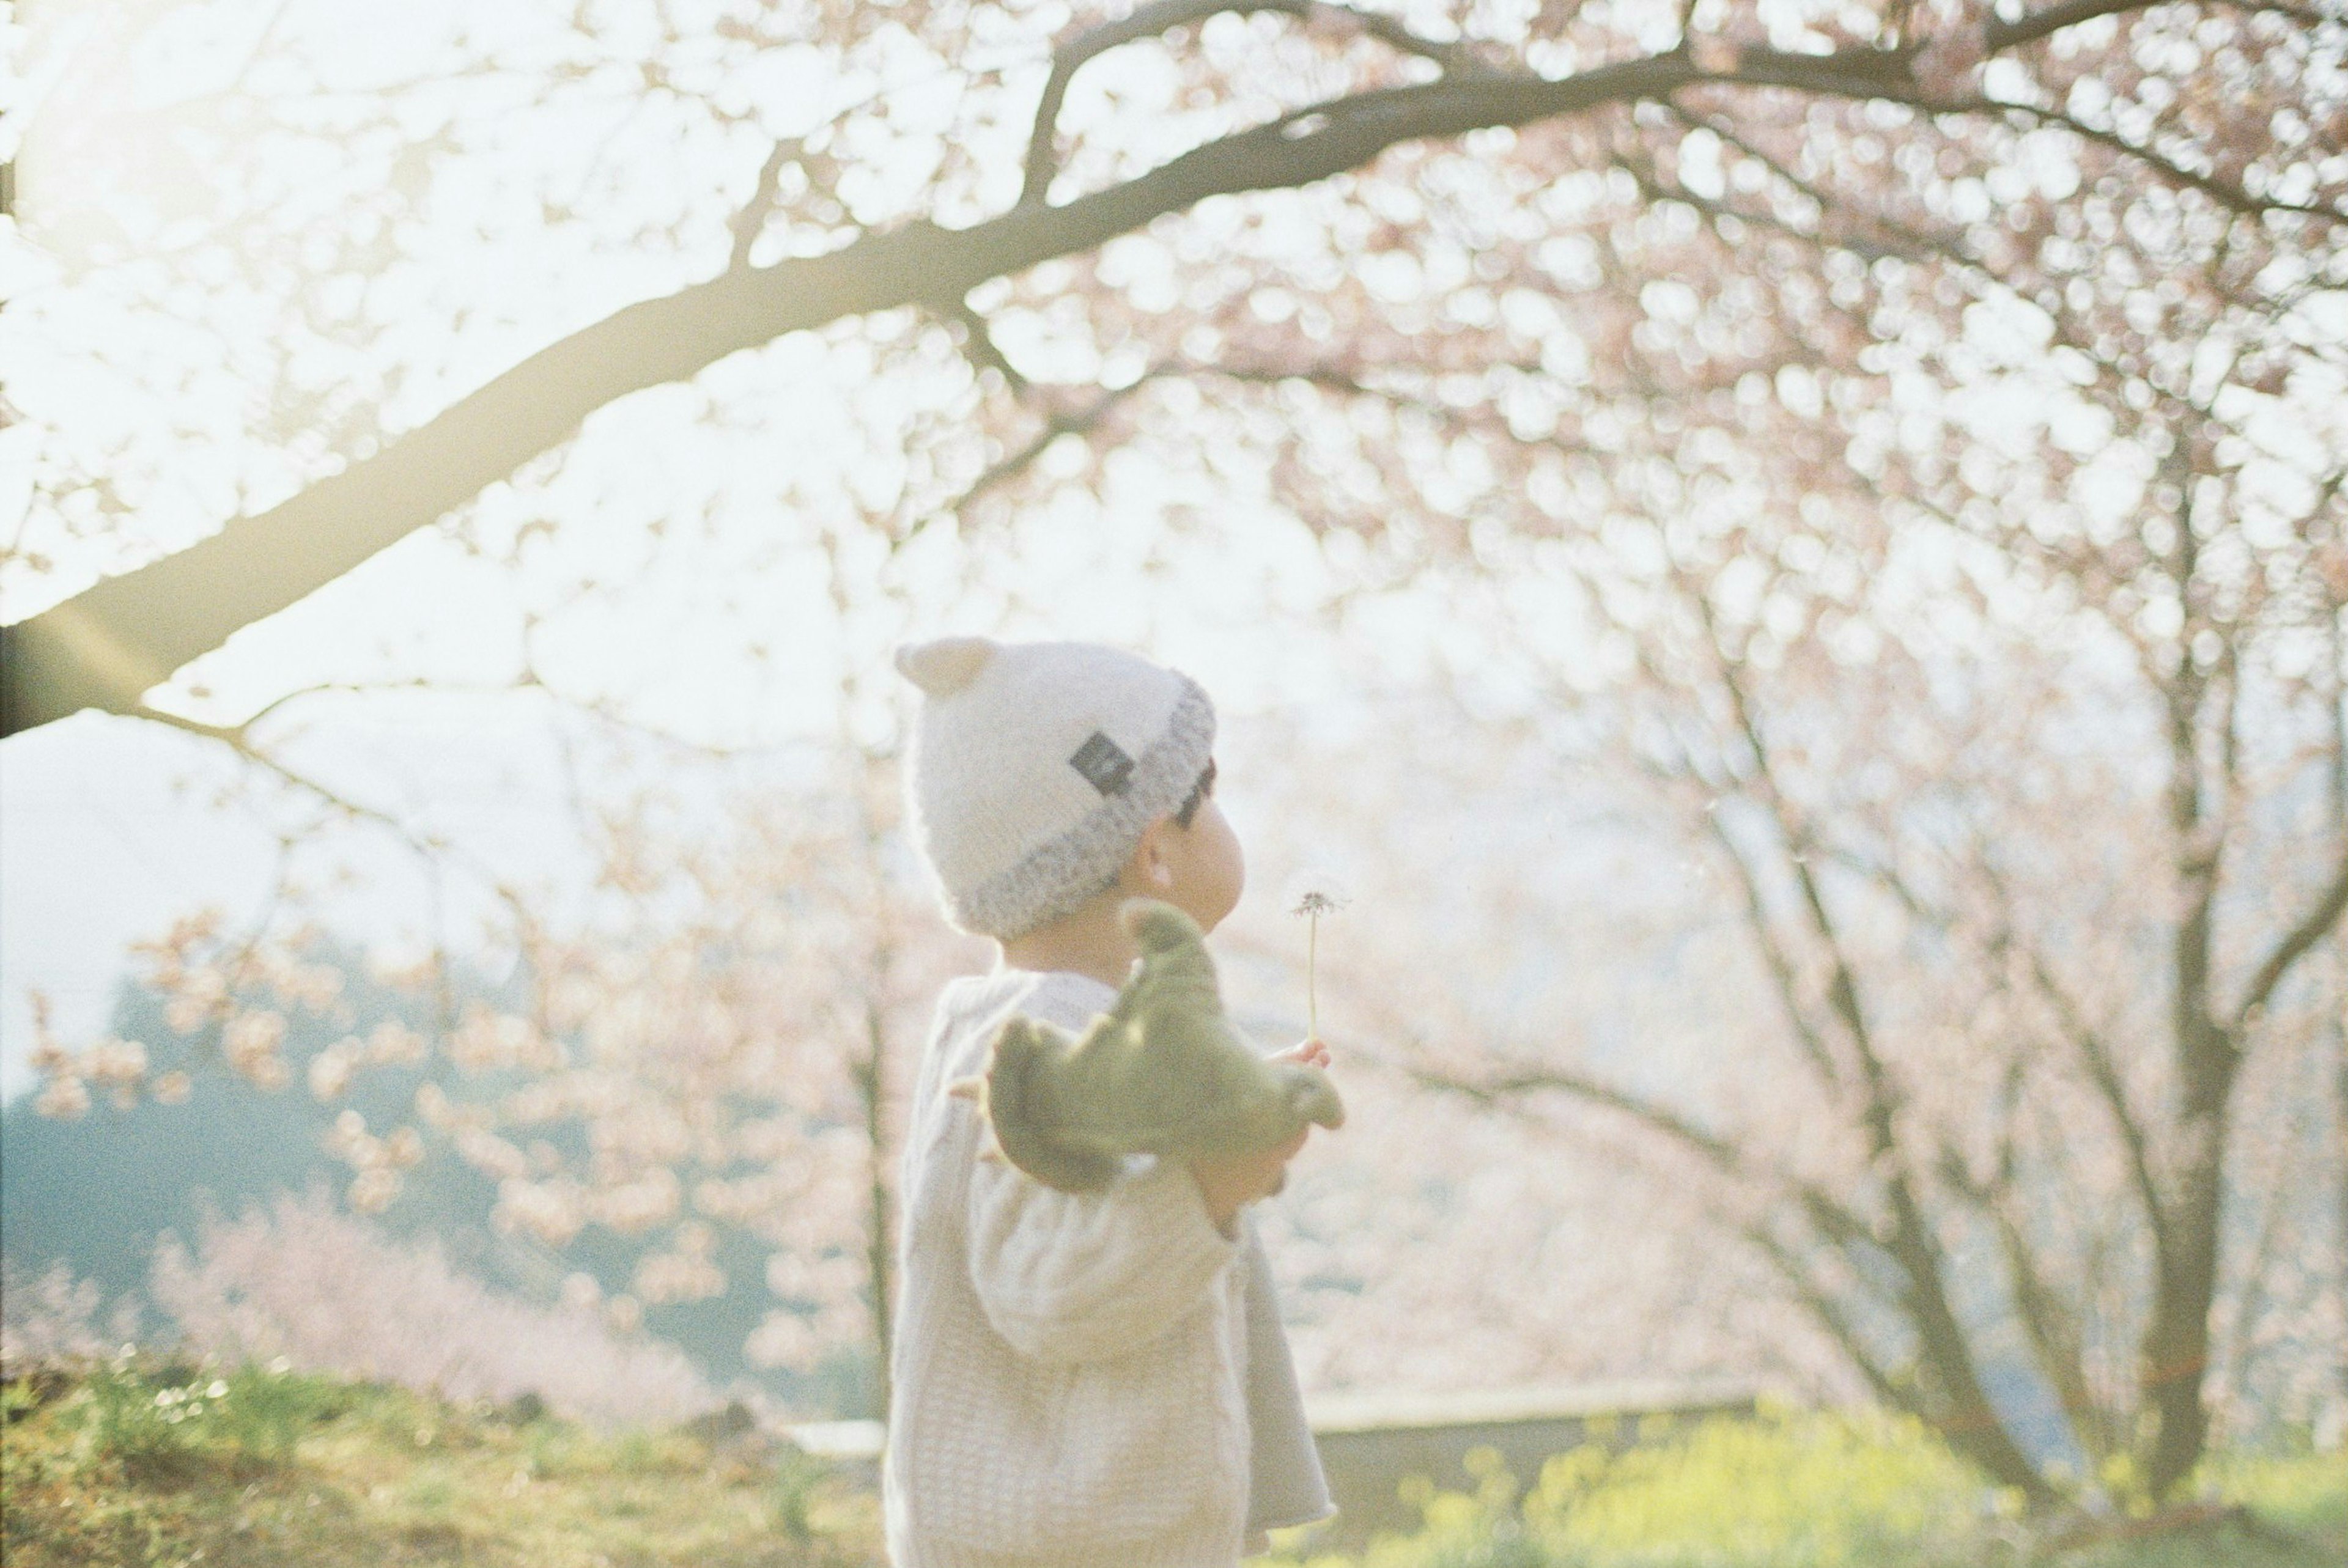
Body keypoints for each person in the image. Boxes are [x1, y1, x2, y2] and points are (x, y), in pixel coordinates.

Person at [882, 635, 1338, 1568]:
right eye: (1202, 792)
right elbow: (1050, 1291)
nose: (1221, 813)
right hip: (1075, 1540)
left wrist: (1225, 1105)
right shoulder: (1043, 1041)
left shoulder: (1032, 1021)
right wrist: (1205, 1185)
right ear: (1155, 857)